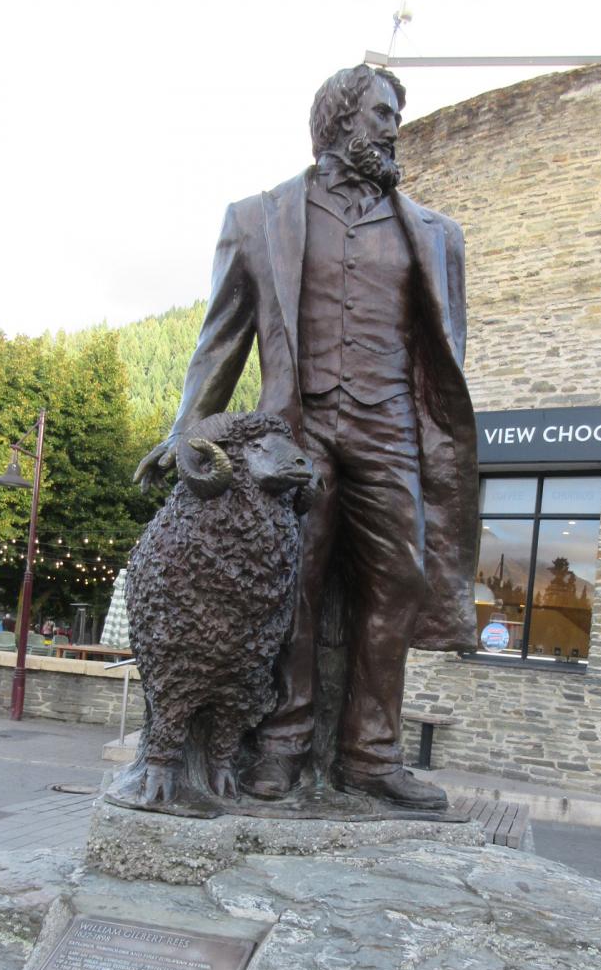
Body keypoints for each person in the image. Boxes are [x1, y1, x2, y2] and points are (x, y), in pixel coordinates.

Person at [135, 65, 478, 810]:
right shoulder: (258, 218)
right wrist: (186, 431)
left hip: (391, 426)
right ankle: (283, 744)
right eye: (382, 114)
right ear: (340, 120)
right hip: (297, 431)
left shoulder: (437, 235)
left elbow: (442, 354)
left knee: (402, 579)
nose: (393, 130)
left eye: (395, 117)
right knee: (294, 581)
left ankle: (371, 755)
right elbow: (221, 340)